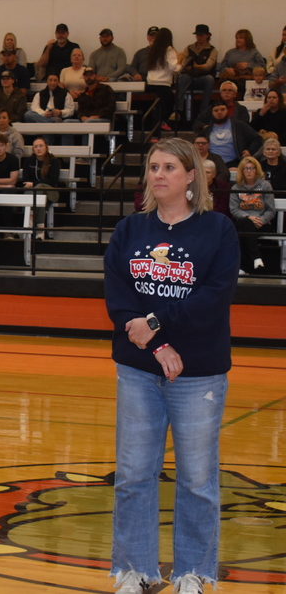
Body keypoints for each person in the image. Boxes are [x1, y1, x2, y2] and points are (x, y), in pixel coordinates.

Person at [104, 137, 238, 594]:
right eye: (153, 167)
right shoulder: (129, 231)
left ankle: (193, 573)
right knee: (133, 474)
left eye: (168, 168)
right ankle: (134, 569)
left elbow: (213, 298)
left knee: (198, 479)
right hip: (139, 369)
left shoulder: (218, 230)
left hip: (198, 373)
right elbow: (119, 298)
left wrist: (157, 322)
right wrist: (157, 345)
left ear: (190, 177)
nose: (158, 175)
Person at [230, 156, 275, 274]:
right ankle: (256, 258)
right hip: (244, 221)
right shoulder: (236, 187)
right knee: (245, 224)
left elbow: (271, 210)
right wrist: (249, 217)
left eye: (251, 168)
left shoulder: (265, 186)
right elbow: (234, 209)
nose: (249, 171)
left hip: (262, 224)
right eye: (245, 169)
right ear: (241, 171)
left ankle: (243, 267)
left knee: (242, 230)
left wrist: (261, 220)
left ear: (256, 170)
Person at [22, 137, 63, 237]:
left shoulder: (54, 161)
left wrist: (34, 184)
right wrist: (34, 185)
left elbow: (53, 181)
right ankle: (40, 231)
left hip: (51, 192)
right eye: (36, 146)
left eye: (41, 146)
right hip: (33, 193)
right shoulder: (28, 161)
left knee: (39, 189)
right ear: (33, 149)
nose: (38, 149)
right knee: (38, 196)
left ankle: (29, 221)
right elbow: (25, 180)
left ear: (46, 147)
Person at [201, 99, 261, 167]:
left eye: (222, 109)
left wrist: (249, 151)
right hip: (211, 164)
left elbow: (257, 139)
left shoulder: (239, 125)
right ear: (211, 112)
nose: (219, 112)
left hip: (234, 163)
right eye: (216, 110)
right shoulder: (206, 130)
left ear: (227, 111)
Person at [176, 24, 218, 120]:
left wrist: (194, 67)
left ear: (207, 35)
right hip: (190, 78)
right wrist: (198, 67)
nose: (199, 37)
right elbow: (183, 65)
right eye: (197, 35)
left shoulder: (213, 50)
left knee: (210, 79)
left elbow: (208, 67)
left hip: (203, 79)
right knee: (183, 77)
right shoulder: (189, 48)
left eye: (201, 35)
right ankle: (178, 110)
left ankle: (204, 111)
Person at [145, 28, 181, 133]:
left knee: (158, 106)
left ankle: (158, 125)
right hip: (163, 83)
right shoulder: (168, 49)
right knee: (168, 103)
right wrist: (181, 67)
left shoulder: (152, 49)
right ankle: (159, 126)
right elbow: (173, 66)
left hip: (151, 82)